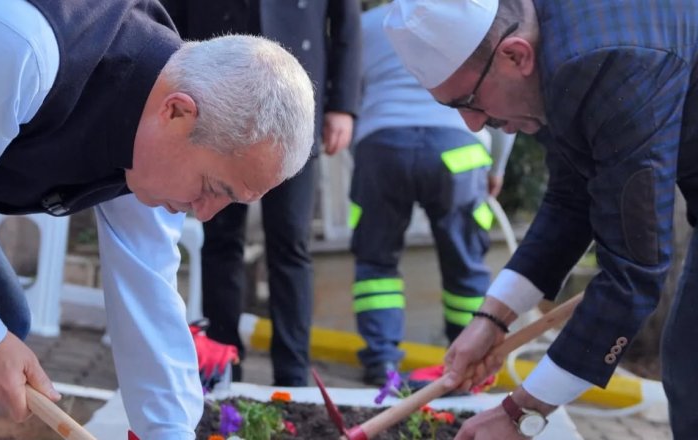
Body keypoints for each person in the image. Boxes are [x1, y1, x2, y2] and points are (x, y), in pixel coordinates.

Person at [0, 0, 316, 437]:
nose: (206, 213)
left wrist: (166, 432)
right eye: (213, 189)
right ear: (178, 113)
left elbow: (147, 290)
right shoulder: (19, 44)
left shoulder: (157, 115)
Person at [385, 0, 698, 438]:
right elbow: (573, 198)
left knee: (691, 370)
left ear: (516, 55)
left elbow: (634, 270)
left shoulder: (608, 61)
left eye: (469, 102)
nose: (473, 125)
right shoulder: (552, 51)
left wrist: (520, 414)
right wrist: (491, 319)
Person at [161, 0, 362, 387]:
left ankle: (292, 375)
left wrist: (343, 105)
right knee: (219, 239)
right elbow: (171, 12)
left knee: (289, 242)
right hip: (214, 97)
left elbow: (346, 23)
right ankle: (221, 367)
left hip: (293, 103)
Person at [349, 2, 514, 387]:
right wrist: (497, 168)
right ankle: (466, 364)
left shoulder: (369, 24)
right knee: (464, 262)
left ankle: (381, 363)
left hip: (382, 146)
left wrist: (369, 157)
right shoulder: (473, 15)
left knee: (376, 264)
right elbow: (502, 93)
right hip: (456, 146)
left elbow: (350, 96)